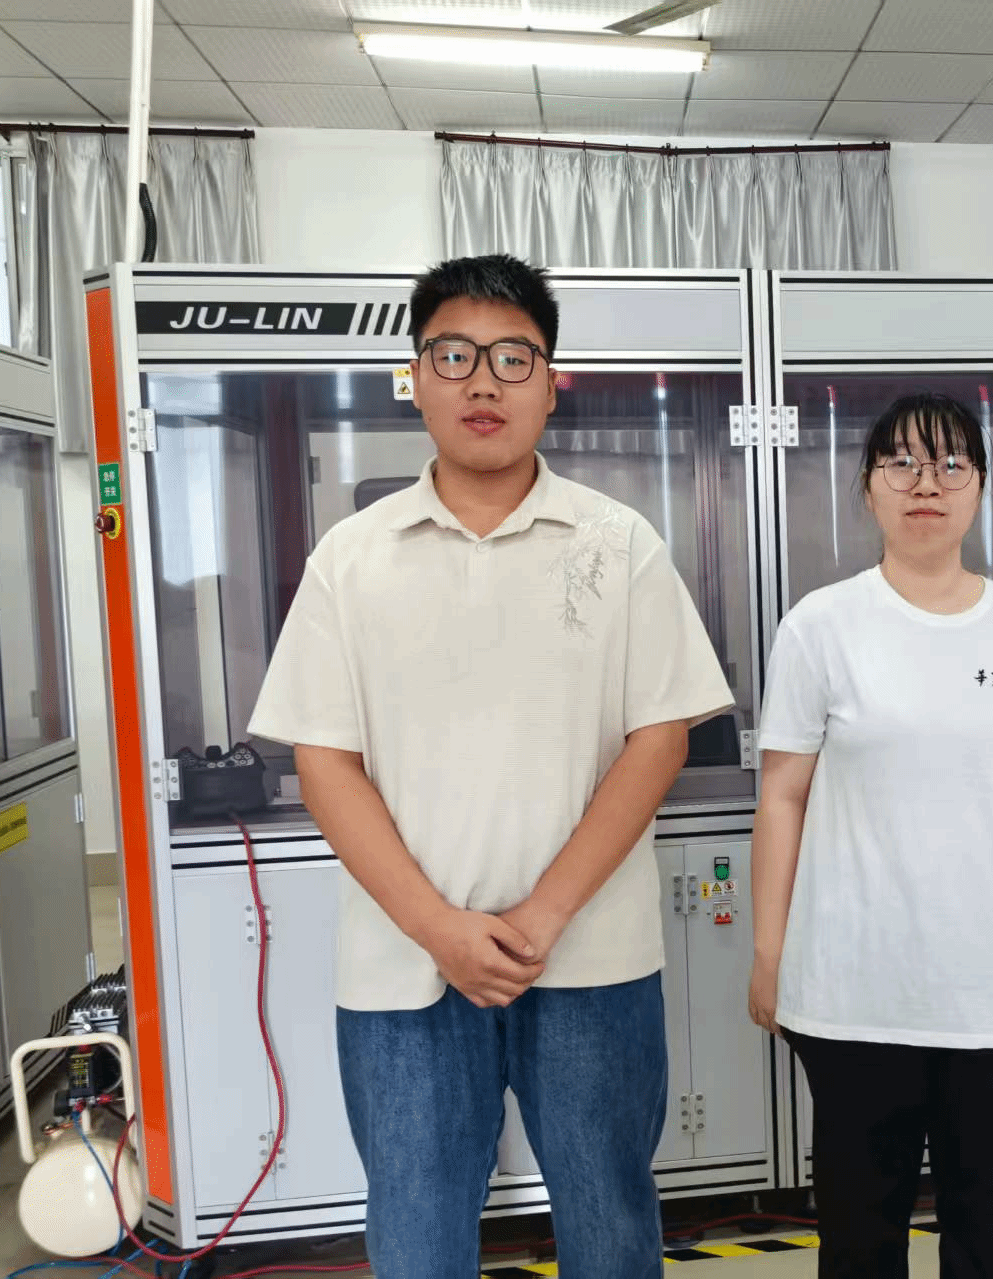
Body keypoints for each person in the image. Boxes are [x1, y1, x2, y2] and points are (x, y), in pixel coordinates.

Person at [247, 254, 732, 1279]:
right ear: (413, 378)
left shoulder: (618, 544)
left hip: (591, 959)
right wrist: (440, 930)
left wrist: (543, 917)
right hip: (403, 973)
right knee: (417, 1238)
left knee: (610, 1228)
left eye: (513, 357)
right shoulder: (352, 558)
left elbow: (659, 739)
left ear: (551, 383)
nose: (482, 381)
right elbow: (325, 761)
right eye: (453, 355)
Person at [749, 392, 993, 1279]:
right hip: (856, 987)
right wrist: (770, 951)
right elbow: (782, 795)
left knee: (991, 1238)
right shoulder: (821, 626)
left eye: (949, 464)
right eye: (900, 463)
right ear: (868, 487)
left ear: (979, 487)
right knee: (860, 1238)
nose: (925, 483)